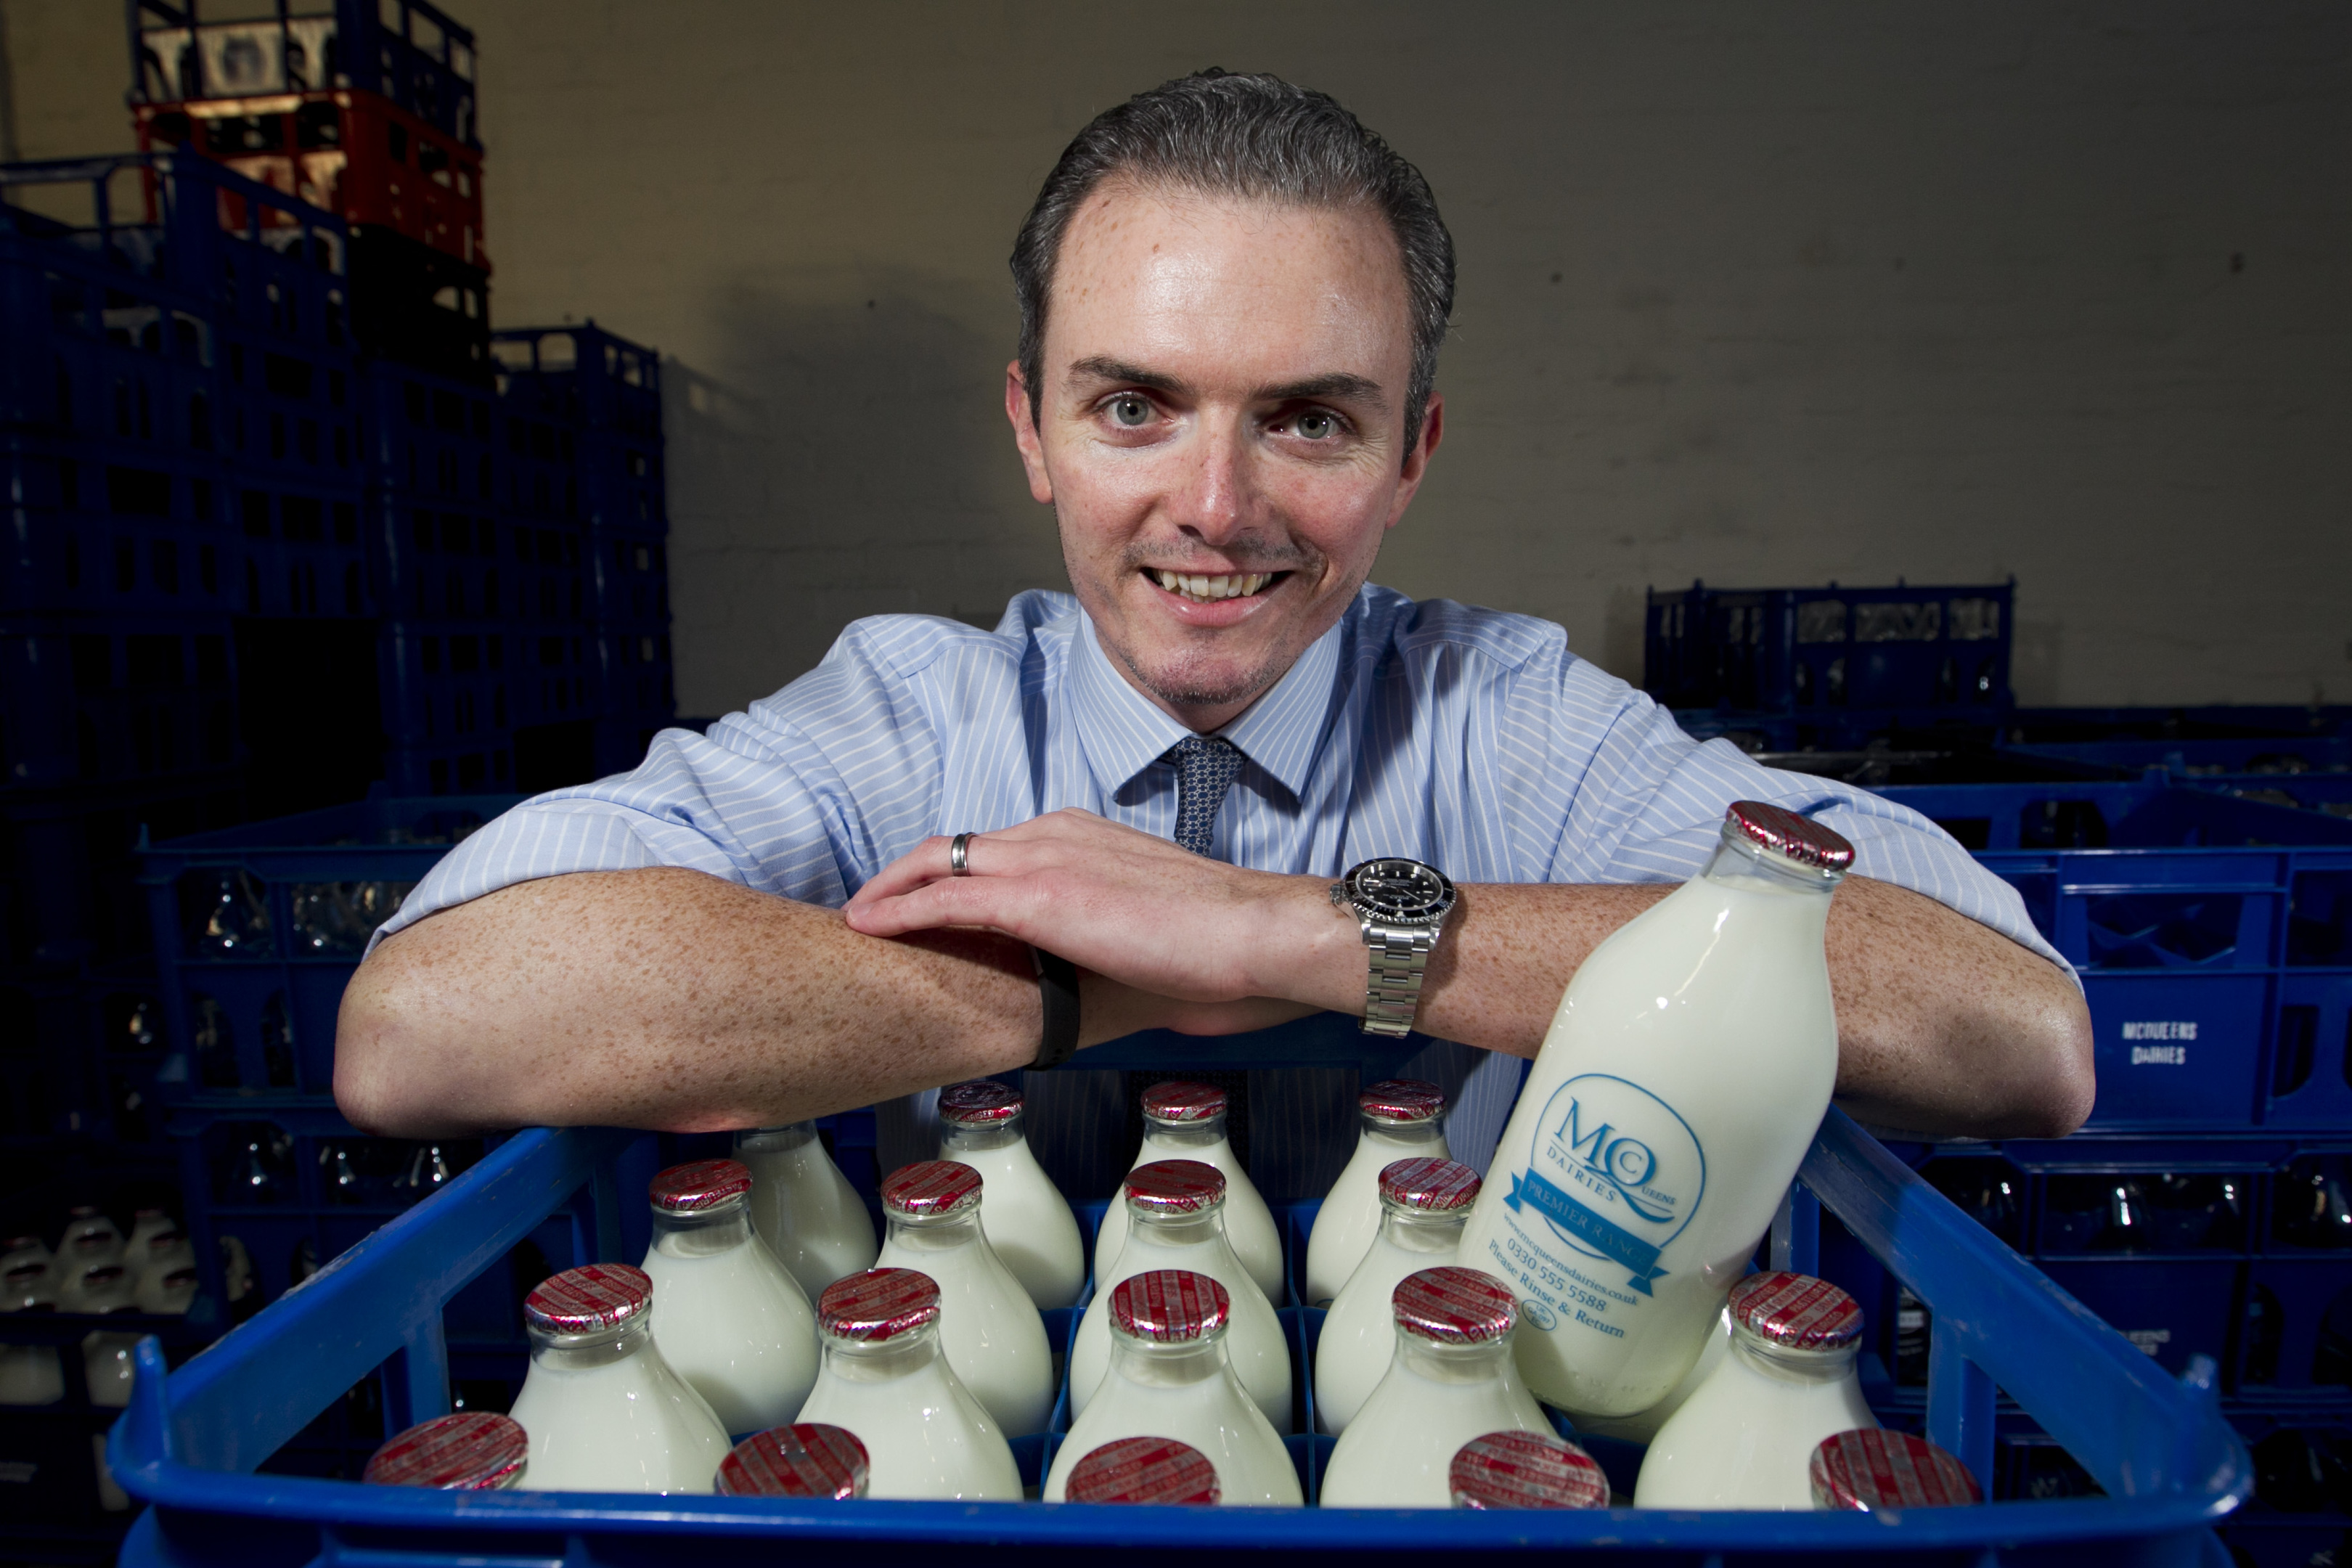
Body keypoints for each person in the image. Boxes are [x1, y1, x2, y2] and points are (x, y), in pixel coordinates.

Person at [334, 71, 2093, 1189]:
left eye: (1310, 420)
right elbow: (424, 1024)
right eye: (1136, 409)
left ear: (1412, 452)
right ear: (1031, 427)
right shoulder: (915, 716)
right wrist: (1089, 983)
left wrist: (1303, 929)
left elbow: (2017, 1037)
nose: (1218, 506)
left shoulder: (1508, 720)